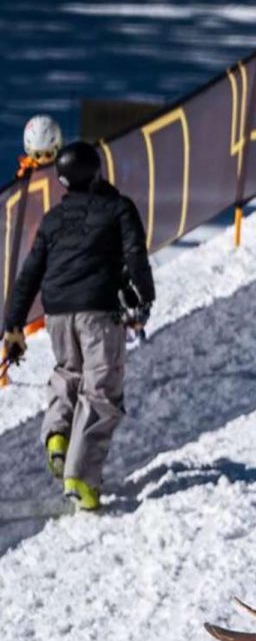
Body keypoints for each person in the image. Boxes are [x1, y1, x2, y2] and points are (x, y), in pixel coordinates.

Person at [1, 141, 154, 512]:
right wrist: (144, 296)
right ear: (98, 171)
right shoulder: (119, 208)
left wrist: (14, 325)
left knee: (69, 372)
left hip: (57, 314)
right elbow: (135, 254)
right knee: (101, 390)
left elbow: (30, 271)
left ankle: (57, 433)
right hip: (98, 311)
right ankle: (81, 479)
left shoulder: (54, 220)